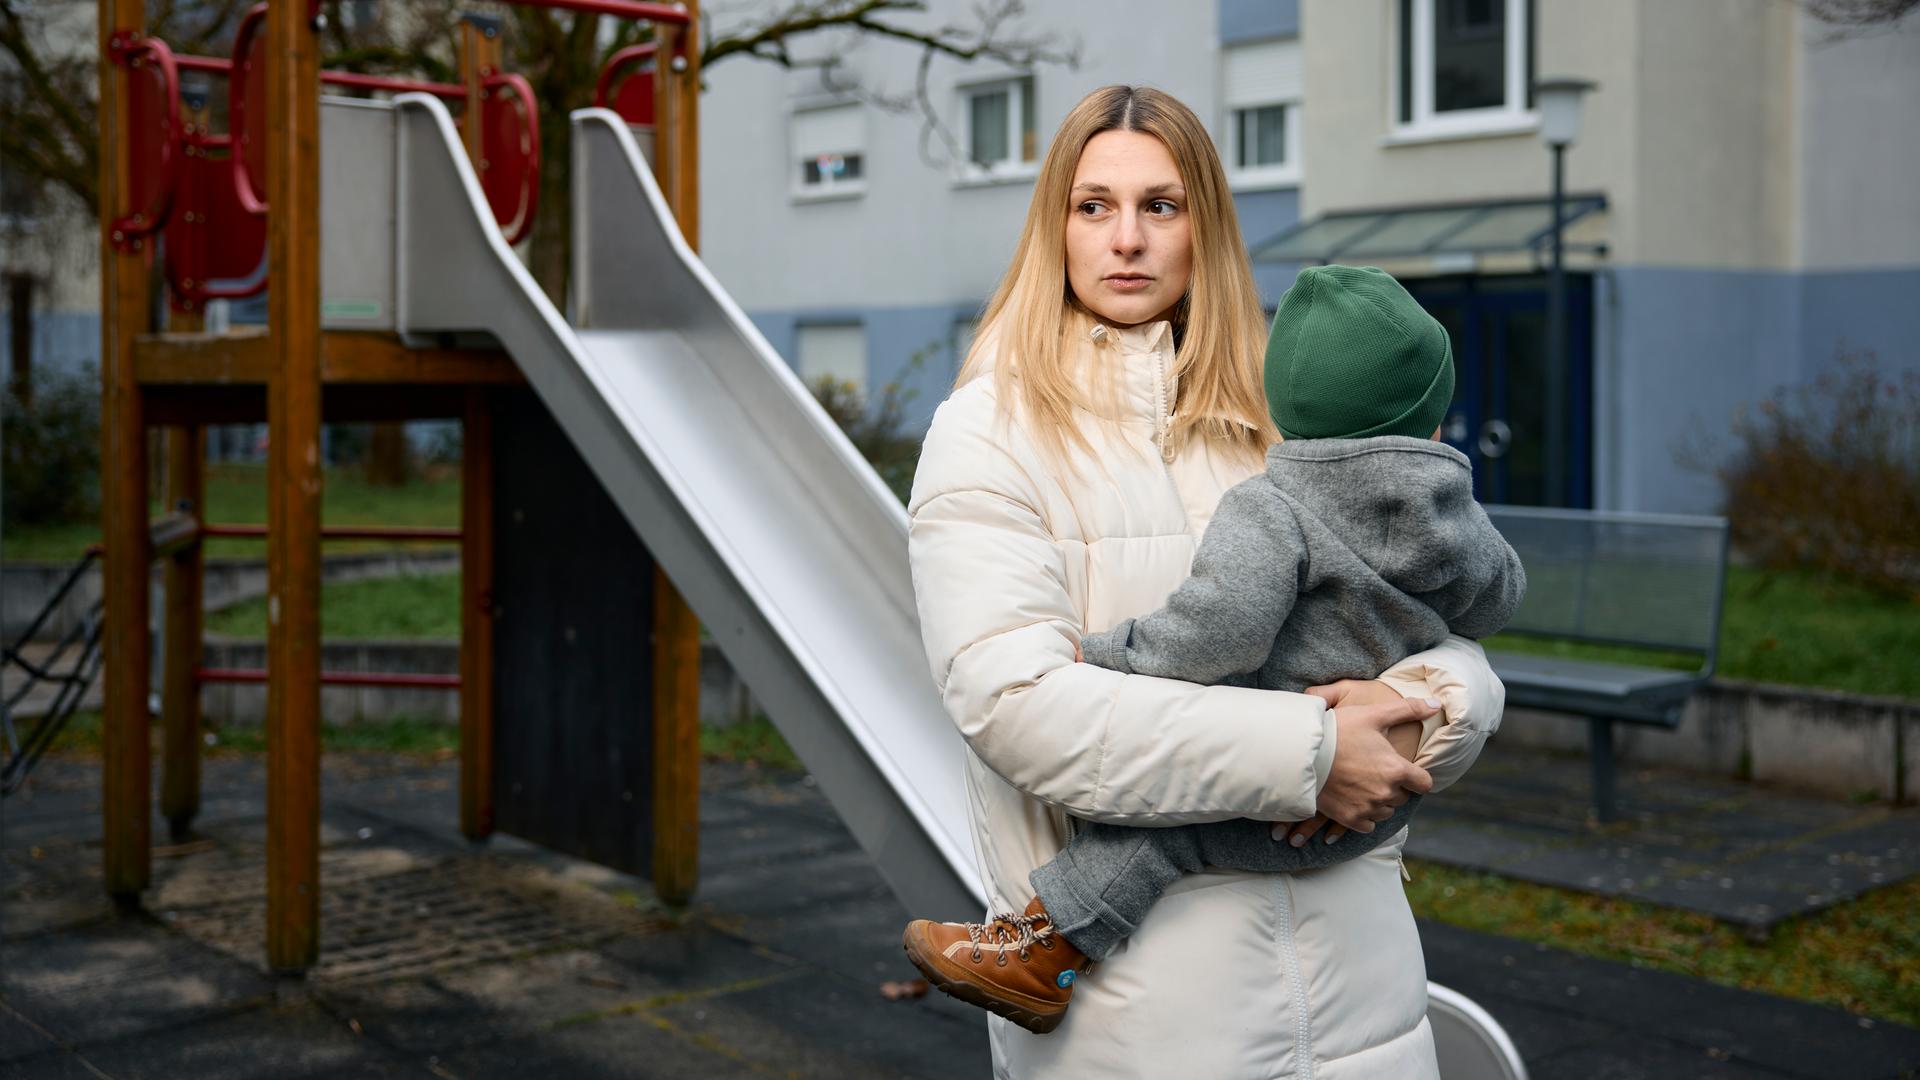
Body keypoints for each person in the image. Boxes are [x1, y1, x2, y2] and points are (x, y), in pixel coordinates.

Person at [902, 85, 1506, 1078]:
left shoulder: (1291, 425)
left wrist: (1420, 704)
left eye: (1162, 206)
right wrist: (1313, 753)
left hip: (1366, 1003)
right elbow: (1016, 705)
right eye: (1094, 206)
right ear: (1054, 227)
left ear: (1204, 230)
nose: (1127, 238)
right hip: (1145, 1026)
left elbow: (1450, 634)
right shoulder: (987, 433)